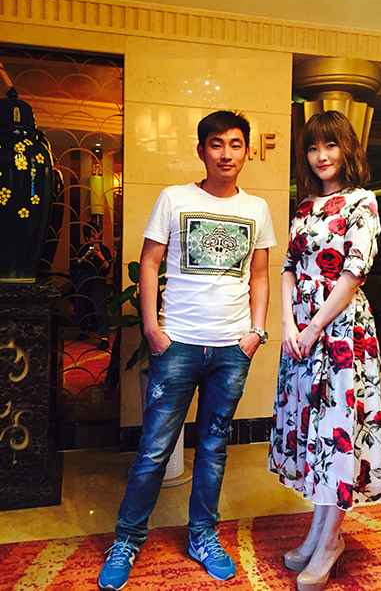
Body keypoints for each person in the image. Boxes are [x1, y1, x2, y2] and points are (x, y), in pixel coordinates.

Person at [98, 110, 276, 590]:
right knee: (154, 449)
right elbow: (149, 262)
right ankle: (127, 539)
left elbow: (260, 274)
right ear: (201, 151)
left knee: (214, 448)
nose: (226, 154)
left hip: (231, 349)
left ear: (247, 152)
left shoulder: (257, 208)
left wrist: (256, 332)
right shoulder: (174, 198)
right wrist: (152, 329)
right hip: (177, 344)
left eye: (235, 144)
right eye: (216, 144)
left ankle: (203, 535)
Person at [268, 111, 381, 591]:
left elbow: (353, 273)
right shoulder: (305, 206)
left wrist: (315, 326)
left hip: (341, 333)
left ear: (347, 149)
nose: (321, 156)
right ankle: (321, 532)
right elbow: (287, 267)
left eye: (330, 145)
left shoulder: (362, 202)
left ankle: (328, 542)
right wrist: (288, 324)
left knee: (338, 431)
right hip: (301, 333)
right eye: (312, 147)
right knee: (315, 433)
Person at [71, 221, 112, 351]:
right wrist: (84, 257)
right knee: (81, 306)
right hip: (84, 280)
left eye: (94, 235)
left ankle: (104, 337)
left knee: (100, 307)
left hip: (98, 281)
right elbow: (74, 266)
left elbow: (108, 268)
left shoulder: (104, 250)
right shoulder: (81, 249)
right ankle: (84, 331)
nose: (93, 238)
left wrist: (101, 257)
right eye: (89, 237)